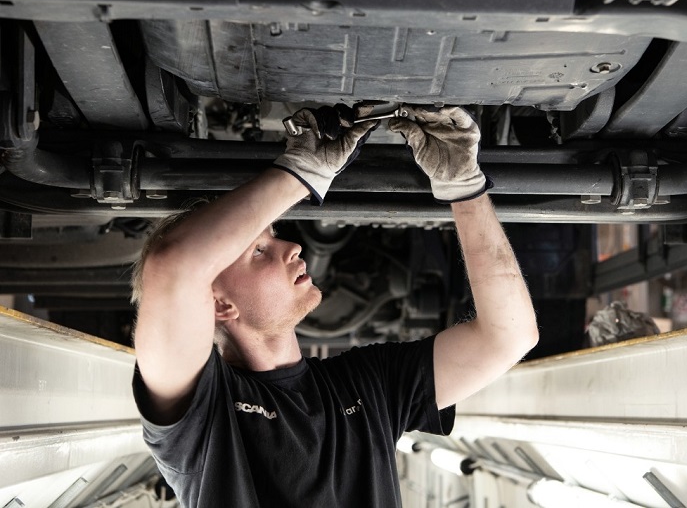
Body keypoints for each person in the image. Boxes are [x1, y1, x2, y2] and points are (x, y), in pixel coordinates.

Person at [131, 106, 539, 507]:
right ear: (220, 305)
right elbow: (173, 266)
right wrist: (299, 172)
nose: (292, 247)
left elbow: (508, 335)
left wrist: (464, 187)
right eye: (258, 250)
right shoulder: (202, 412)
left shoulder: (368, 385)